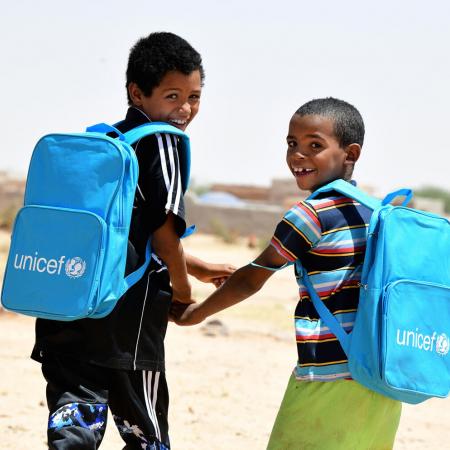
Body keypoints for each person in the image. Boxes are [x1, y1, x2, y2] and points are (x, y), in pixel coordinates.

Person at [31, 32, 234, 450]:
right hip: (128, 323)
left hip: (69, 307)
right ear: (137, 93)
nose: (185, 109)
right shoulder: (164, 141)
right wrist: (181, 288)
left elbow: (124, 232)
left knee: (74, 427)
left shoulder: (106, 142)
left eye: (195, 97)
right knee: (146, 433)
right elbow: (163, 231)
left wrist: (198, 265)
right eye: (173, 96)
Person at [173, 97, 402, 449]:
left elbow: (253, 277)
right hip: (381, 377)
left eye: (315, 146)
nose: (298, 155)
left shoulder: (311, 214)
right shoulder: (379, 215)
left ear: (350, 154)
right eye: (292, 144)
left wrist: (194, 313)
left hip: (328, 376)